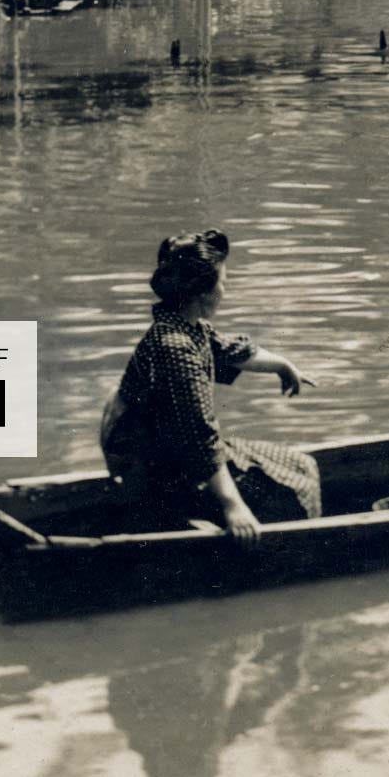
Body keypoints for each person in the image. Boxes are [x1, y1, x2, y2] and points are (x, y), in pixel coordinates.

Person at [99, 230, 320, 545]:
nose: (224, 290)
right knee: (299, 485)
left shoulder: (183, 326)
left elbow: (232, 351)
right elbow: (198, 437)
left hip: (164, 449)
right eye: (222, 283)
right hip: (157, 468)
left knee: (303, 464)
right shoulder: (175, 348)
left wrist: (284, 367)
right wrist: (233, 506)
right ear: (203, 293)